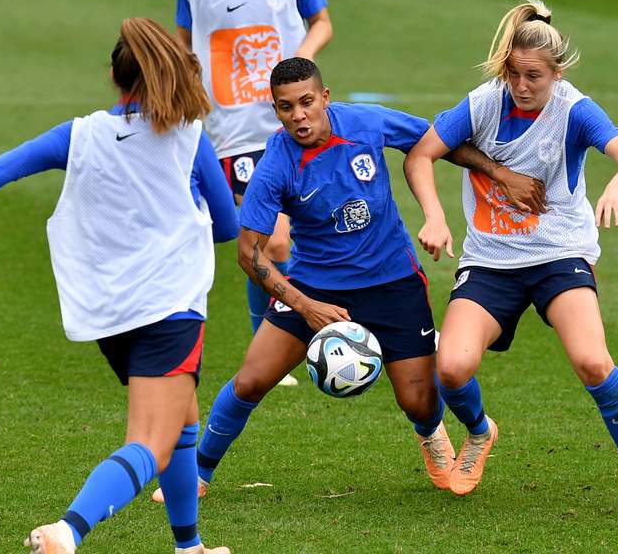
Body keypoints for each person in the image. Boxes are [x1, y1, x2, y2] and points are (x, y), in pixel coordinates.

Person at [0, 18, 237, 553]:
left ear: (113, 76)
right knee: (150, 443)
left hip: (110, 316)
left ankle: (189, 547)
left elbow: (6, 167)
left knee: (181, 426)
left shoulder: (78, 135)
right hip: (169, 311)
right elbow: (226, 228)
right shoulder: (189, 139)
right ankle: (68, 530)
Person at [191, 56, 545, 498]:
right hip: (314, 287)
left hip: (392, 280)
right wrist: (305, 305)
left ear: (325, 97)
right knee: (251, 380)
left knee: (418, 401)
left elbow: (439, 141)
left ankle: (461, 432)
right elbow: (249, 253)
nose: (298, 116)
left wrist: (500, 173)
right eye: (286, 107)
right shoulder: (276, 164)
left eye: (306, 102)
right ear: (276, 110)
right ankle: (197, 474)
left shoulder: (365, 123)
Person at [403, 0, 618, 511]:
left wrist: (617, 187)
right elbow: (421, 155)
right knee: (452, 369)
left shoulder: (574, 108)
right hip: (489, 260)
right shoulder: (484, 101)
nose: (521, 87)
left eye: (533, 77)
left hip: (559, 255)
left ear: (557, 72)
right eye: (513, 74)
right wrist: (435, 216)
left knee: (592, 360)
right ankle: (480, 431)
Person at [174, 0, 332, 357]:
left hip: (297, 118)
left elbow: (322, 23)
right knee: (272, 243)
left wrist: (297, 67)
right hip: (237, 131)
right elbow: (183, 51)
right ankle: (273, 343)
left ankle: (323, 325)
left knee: (318, 229)